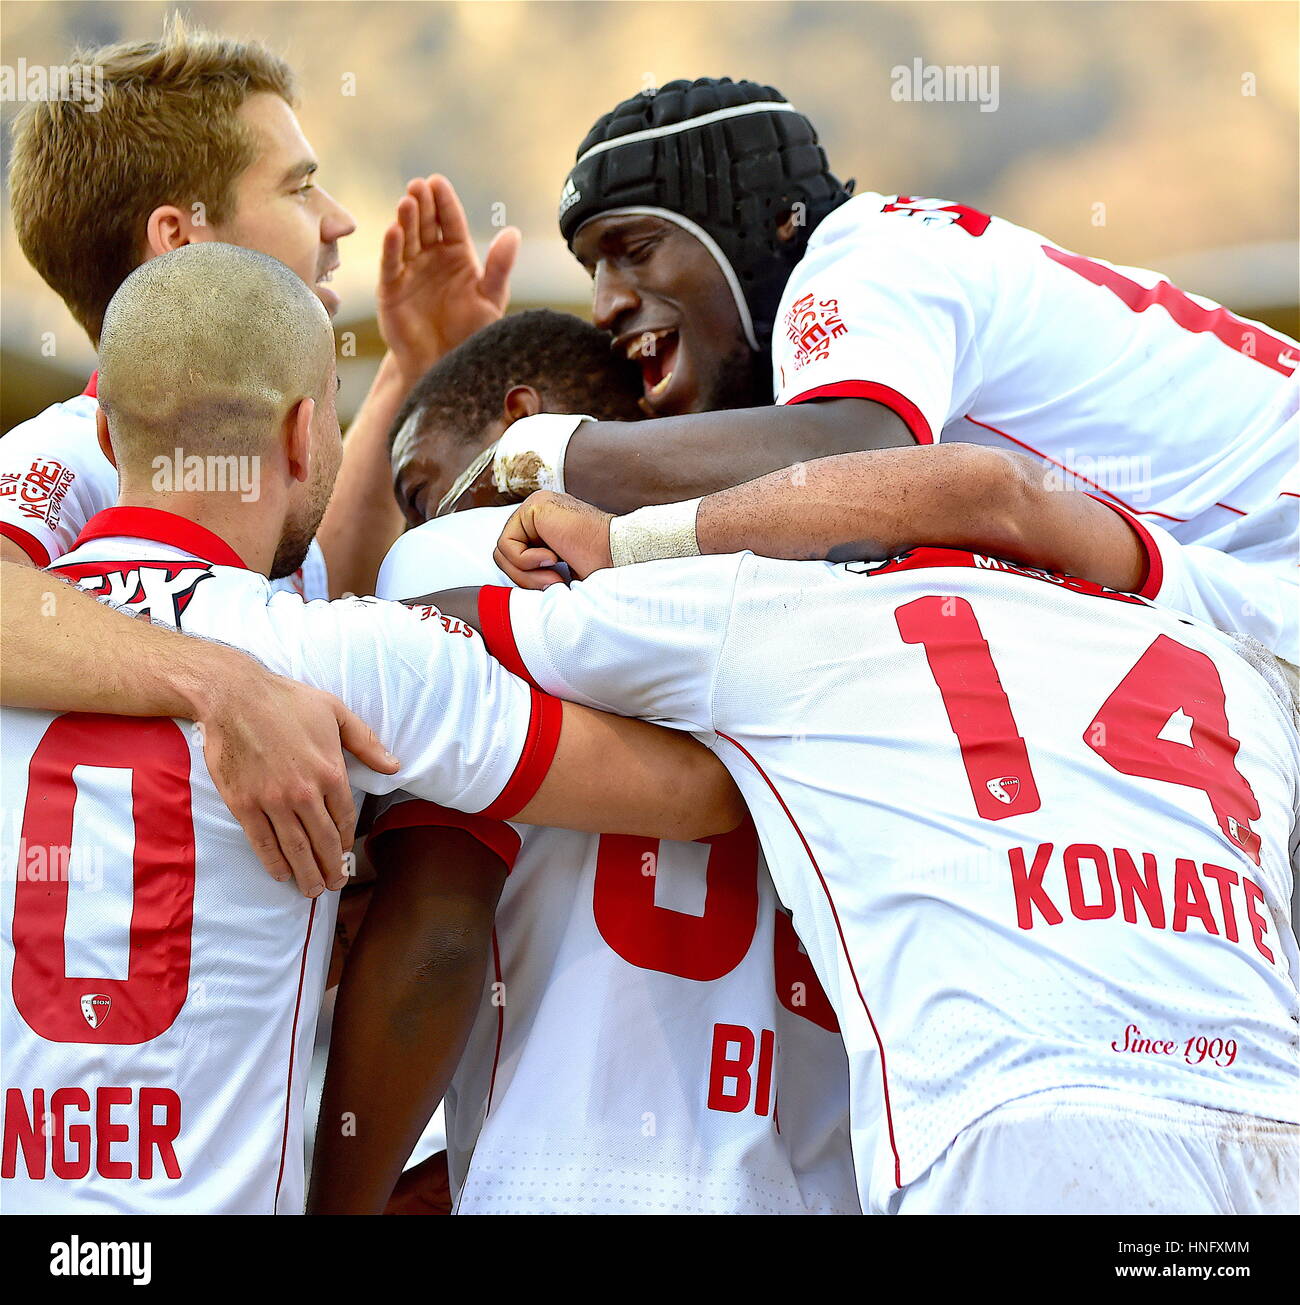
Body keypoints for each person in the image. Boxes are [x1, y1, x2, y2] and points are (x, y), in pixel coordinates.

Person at [0, 244, 742, 1214]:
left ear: (103, 430)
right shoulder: (353, 659)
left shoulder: (35, 641)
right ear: (306, 432)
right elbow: (702, 795)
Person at [415, 477, 1300, 1215]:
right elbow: (1005, 493)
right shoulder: (1236, 645)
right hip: (1264, 1120)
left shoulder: (796, 610)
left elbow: (433, 650)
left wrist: (621, 534)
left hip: (1011, 1120)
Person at [434, 77, 1298, 661]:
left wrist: (542, 454)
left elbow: (853, 455)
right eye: (594, 270)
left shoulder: (859, 256)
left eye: (636, 250)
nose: (608, 302)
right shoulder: (909, 248)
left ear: (770, 225)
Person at [310, 310, 859, 1215]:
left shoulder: (462, 547)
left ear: (520, 425)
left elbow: (440, 932)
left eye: (417, 487)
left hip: (573, 1171)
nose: (413, 520)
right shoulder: (778, 581)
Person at [1, 16, 514, 598]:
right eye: (298, 188)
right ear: (182, 240)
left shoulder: (246, 454)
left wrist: (414, 363)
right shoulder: (57, 457)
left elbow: (320, 596)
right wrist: (240, 689)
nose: (340, 220)